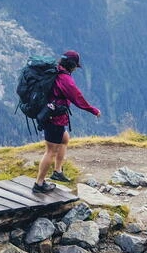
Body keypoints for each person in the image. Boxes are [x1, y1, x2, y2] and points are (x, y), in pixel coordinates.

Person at [32, 49, 101, 193]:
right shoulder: (65, 79)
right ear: (71, 65)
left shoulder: (55, 71)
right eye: (75, 65)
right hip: (54, 118)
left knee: (64, 139)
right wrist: (93, 110)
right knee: (50, 151)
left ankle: (57, 171)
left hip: (50, 115)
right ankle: (39, 184)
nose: (76, 68)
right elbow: (78, 98)